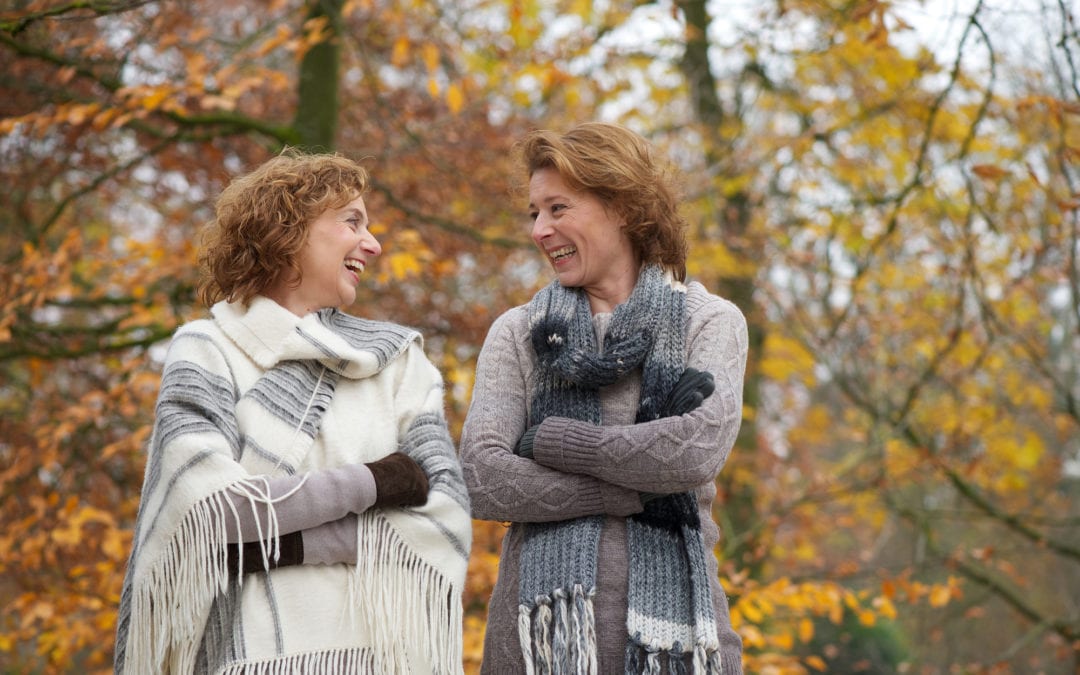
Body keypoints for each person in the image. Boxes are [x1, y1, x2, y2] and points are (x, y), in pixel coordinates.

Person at [114, 150, 472, 674]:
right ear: (288, 229)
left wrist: (278, 545)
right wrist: (378, 482)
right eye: (352, 221)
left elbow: (445, 518)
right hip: (249, 656)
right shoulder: (207, 349)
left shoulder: (398, 363)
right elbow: (214, 512)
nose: (373, 244)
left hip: (384, 659)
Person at [460, 122, 747, 674]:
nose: (541, 229)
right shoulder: (518, 333)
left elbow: (692, 452)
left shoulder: (709, 323)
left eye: (558, 208)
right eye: (534, 213)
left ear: (622, 206)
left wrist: (551, 442)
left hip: (686, 648)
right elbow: (481, 477)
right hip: (532, 649)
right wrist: (622, 491)